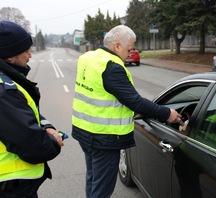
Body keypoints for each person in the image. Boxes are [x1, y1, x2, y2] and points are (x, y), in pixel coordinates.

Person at [72, 25, 181, 198]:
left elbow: (103, 94)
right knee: (101, 189)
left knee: (92, 179)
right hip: (104, 138)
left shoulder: (88, 58)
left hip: (84, 131)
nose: (130, 53)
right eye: (129, 49)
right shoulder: (111, 67)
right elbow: (135, 102)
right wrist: (167, 113)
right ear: (117, 46)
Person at [0, 21, 64, 197]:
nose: (30, 55)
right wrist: (54, 143)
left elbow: (24, 110)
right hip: (10, 188)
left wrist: (46, 126)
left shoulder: (8, 82)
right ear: (9, 56)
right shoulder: (3, 90)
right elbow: (34, 146)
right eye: (25, 51)